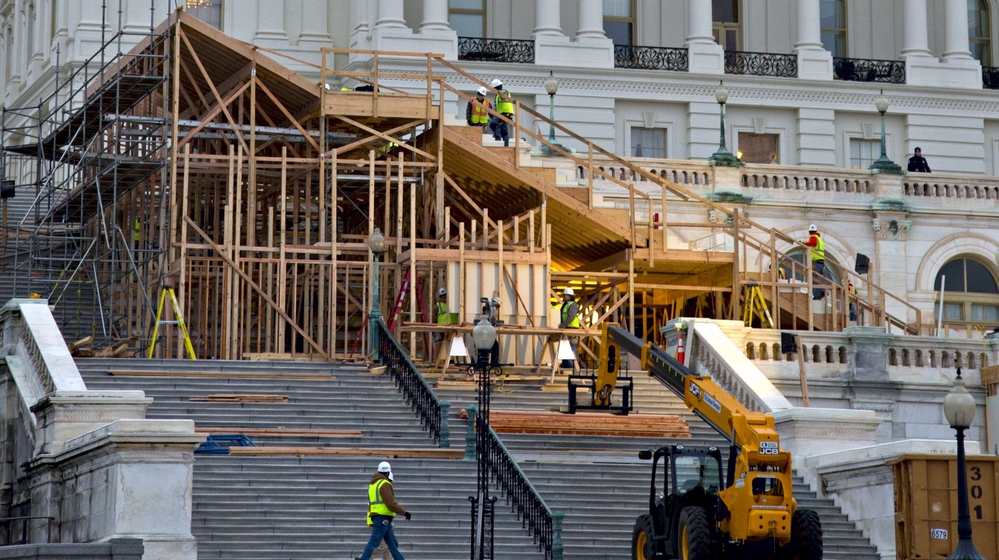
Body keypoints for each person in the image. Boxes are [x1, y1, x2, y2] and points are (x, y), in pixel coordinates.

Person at [357, 461, 410, 560]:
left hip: (379, 518)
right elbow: (390, 503)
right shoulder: (384, 483)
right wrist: (404, 512)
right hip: (382, 518)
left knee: (392, 544)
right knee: (374, 542)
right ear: (387, 473)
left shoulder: (373, 484)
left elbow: (372, 504)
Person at [802, 224, 826, 300]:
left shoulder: (813, 237)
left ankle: (818, 293)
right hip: (820, 261)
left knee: (813, 278)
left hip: (816, 261)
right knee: (815, 277)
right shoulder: (819, 239)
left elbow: (813, 243)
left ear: (810, 232)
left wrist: (805, 243)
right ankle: (818, 293)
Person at [557, 287, 580, 369]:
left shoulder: (572, 305)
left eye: (565, 295)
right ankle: (566, 364)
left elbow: (571, 317)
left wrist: (563, 324)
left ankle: (570, 365)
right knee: (565, 346)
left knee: (571, 346)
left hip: (571, 328)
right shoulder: (566, 304)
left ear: (569, 296)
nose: (564, 296)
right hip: (566, 328)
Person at [488, 79, 515, 147]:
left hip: (504, 113)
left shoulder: (503, 91)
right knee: (504, 131)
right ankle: (506, 145)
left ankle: (498, 138)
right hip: (503, 113)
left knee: (493, 124)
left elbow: (503, 95)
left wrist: (501, 93)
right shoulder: (497, 95)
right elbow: (497, 106)